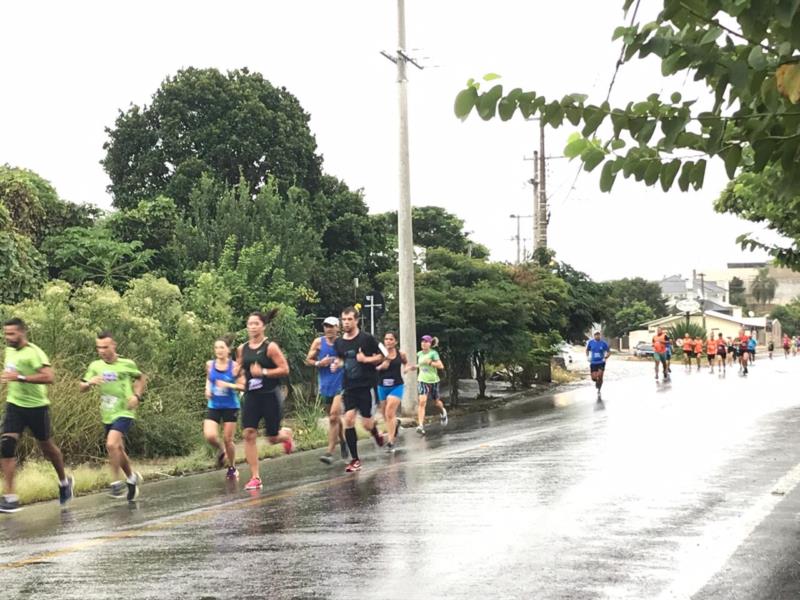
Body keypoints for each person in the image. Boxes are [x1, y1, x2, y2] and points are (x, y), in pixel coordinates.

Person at [0, 319, 73, 512]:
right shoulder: (9, 351)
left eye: (12, 334)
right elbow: (10, 373)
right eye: (6, 334)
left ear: (23, 333)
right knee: (6, 445)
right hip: (15, 404)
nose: (8, 338)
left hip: (37, 407)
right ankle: (10, 497)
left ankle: (64, 481)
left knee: (47, 448)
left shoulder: (34, 352)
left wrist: (21, 378)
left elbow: (49, 377)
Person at [81, 331, 147, 500]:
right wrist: (89, 383)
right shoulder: (95, 366)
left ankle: (116, 484)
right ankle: (132, 478)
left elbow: (141, 379)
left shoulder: (127, 364)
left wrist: (136, 396)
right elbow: (81, 386)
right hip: (107, 413)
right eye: (99, 347)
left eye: (105, 347)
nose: (102, 351)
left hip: (125, 410)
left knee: (111, 444)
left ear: (113, 346)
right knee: (117, 448)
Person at [237, 310, 293, 491]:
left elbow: (284, 369)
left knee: (272, 438)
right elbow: (239, 370)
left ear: (263, 326)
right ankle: (255, 477)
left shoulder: (270, 347)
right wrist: (238, 379)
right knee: (248, 434)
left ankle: (286, 435)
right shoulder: (242, 348)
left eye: (256, 324)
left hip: (270, 394)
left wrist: (264, 372)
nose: (252, 327)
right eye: (250, 324)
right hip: (251, 396)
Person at [332, 307, 386, 472]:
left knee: (367, 424)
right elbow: (341, 359)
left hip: (366, 386)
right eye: (344, 319)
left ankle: (375, 432)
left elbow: (383, 355)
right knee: (348, 420)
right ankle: (355, 460)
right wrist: (336, 364)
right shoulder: (339, 342)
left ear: (356, 320)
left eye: (349, 319)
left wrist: (366, 359)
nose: (346, 322)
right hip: (349, 387)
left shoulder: (367, 339)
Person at [305, 317, 347, 465]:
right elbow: (307, 360)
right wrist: (319, 362)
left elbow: (350, 360)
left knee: (334, 417)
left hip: (340, 384)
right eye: (326, 326)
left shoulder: (342, 343)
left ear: (338, 328)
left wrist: (341, 364)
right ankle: (343, 440)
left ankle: (329, 452)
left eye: (331, 326)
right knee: (333, 417)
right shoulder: (318, 342)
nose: (328, 329)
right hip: (325, 385)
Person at [204, 338, 244, 480]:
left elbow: (243, 385)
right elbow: (209, 379)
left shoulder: (234, 367)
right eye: (216, 348)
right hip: (214, 405)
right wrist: (208, 389)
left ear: (228, 350)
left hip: (231, 406)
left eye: (222, 347)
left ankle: (232, 467)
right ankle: (221, 451)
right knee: (210, 436)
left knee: (228, 439)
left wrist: (228, 385)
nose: (219, 350)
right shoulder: (210, 365)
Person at [376, 332, 412, 452]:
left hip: (396, 386)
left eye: (391, 339)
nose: (388, 341)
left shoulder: (401, 354)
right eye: (386, 339)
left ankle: (391, 442)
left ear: (395, 341)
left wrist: (406, 368)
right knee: (384, 414)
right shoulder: (379, 354)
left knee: (389, 412)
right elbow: (372, 368)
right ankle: (395, 423)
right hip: (382, 386)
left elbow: (406, 362)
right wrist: (382, 366)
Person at [416, 335, 447, 433]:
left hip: (433, 380)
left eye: (426, 342)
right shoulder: (419, 354)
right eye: (422, 341)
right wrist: (412, 367)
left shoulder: (433, 353)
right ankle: (420, 425)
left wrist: (430, 363)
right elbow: (420, 365)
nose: (423, 343)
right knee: (422, 401)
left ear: (430, 344)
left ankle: (443, 411)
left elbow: (441, 366)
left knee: (436, 402)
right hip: (422, 380)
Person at [586, 331, 610, 401]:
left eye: (598, 335)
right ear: (594, 336)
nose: (597, 336)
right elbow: (587, 350)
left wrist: (605, 357)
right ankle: (596, 382)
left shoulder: (603, 343)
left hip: (601, 362)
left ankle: (599, 389)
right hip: (593, 362)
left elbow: (609, 352)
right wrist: (588, 357)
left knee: (600, 375)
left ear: (600, 335)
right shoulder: (591, 342)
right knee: (594, 378)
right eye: (596, 335)